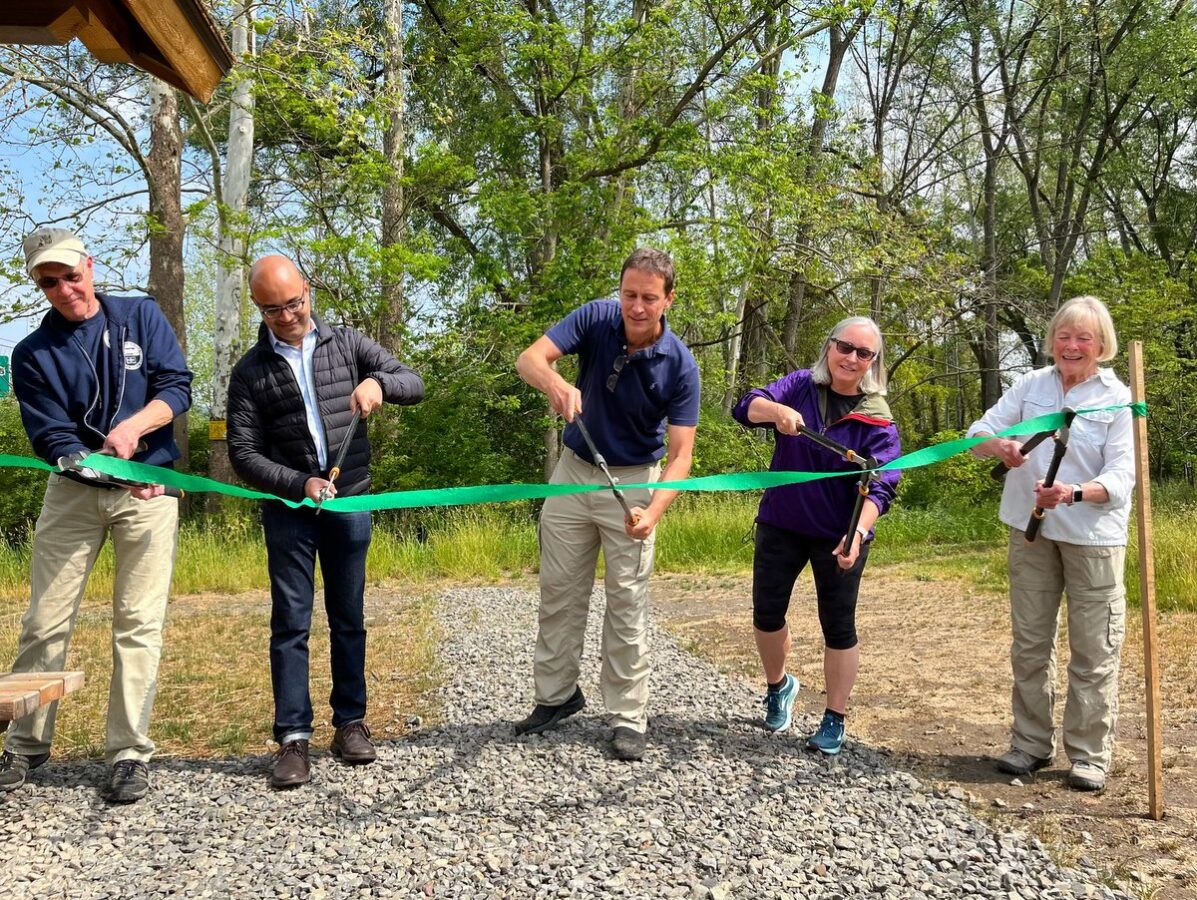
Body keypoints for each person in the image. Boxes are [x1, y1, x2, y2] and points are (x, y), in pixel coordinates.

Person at [0, 227, 192, 803]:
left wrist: (135, 431)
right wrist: (88, 463)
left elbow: (176, 388)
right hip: (73, 494)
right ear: (40, 285)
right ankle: (25, 746)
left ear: (91, 264)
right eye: (48, 281)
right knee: (44, 620)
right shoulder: (31, 353)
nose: (64, 288)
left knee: (138, 623)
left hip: (148, 494)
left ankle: (129, 752)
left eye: (70, 274)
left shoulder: (141, 315)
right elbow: (49, 433)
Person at [226, 255, 424, 790]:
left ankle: (350, 723)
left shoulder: (349, 344)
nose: (288, 316)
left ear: (308, 292)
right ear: (258, 309)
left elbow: (415, 381)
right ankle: (293, 739)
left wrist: (380, 383)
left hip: (350, 501)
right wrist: (299, 484)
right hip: (290, 510)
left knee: (348, 617)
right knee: (290, 623)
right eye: (273, 310)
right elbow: (242, 454)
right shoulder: (250, 372)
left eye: (294, 303)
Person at [514, 248, 699, 761]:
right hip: (573, 474)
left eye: (648, 298)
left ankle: (628, 716)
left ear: (668, 300)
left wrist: (653, 512)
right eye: (629, 295)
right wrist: (554, 381)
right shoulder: (596, 316)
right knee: (559, 591)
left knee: (627, 603)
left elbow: (682, 455)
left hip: (637, 483)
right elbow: (528, 358)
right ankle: (556, 696)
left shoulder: (681, 365)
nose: (636, 307)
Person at [968, 295, 1134, 792]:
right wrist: (1000, 445)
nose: (1072, 345)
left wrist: (1074, 492)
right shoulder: (1031, 385)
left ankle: (1088, 755)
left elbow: (1124, 475)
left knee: (1094, 649)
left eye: (1084, 337)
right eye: (1065, 335)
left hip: (1094, 538)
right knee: (1031, 643)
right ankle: (1030, 743)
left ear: (1102, 345)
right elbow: (978, 434)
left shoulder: (1117, 396)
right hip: (1030, 531)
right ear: (1052, 341)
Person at [731, 316, 900, 756]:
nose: (852, 358)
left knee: (838, 627)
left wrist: (858, 534)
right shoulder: (799, 384)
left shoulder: (878, 418)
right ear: (829, 347)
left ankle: (834, 717)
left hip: (839, 534)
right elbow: (745, 406)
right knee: (766, 614)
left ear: (873, 363)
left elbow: (882, 483)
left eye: (864, 353)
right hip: (781, 523)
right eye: (845, 347)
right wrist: (776, 411)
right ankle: (779, 686)